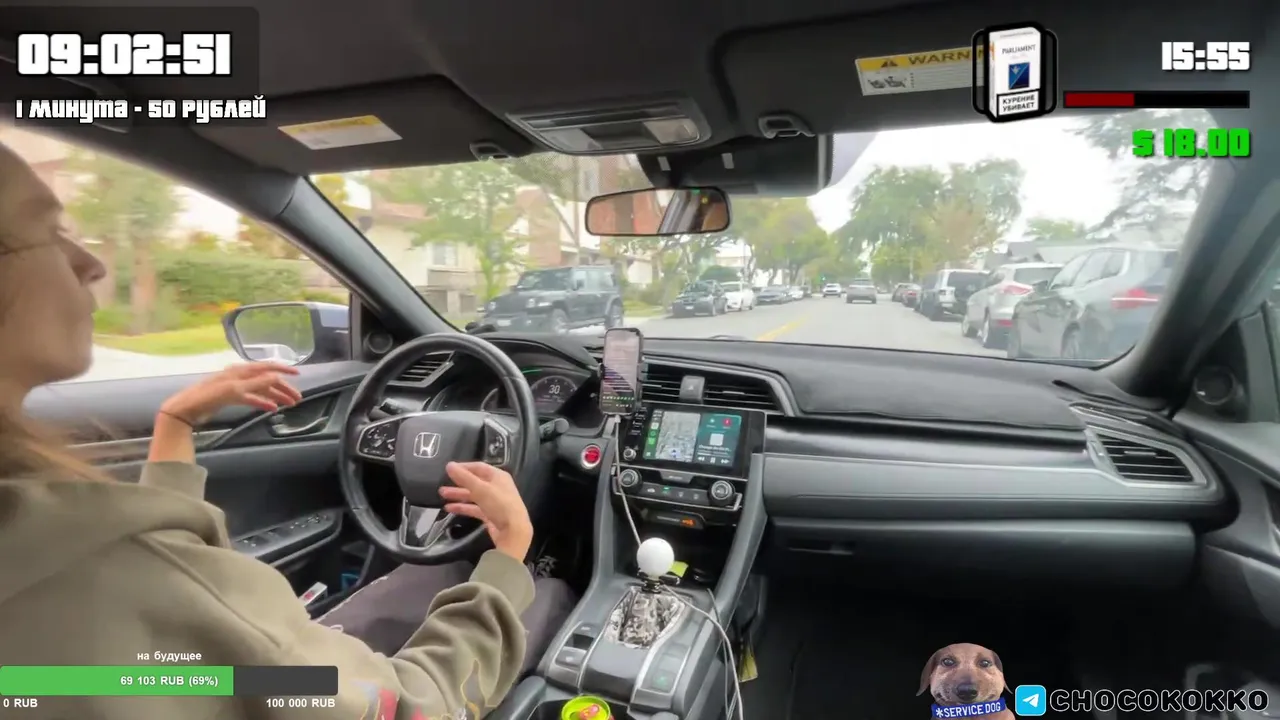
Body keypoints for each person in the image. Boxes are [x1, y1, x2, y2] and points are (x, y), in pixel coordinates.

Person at [0, 142, 577, 719]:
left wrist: (175, 425)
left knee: (431, 578)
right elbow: (407, 708)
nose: (90, 263)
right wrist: (508, 555)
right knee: (548, 594)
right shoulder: (122, 574)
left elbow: (169, 581)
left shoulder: (63, 559)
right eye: (50, 232)